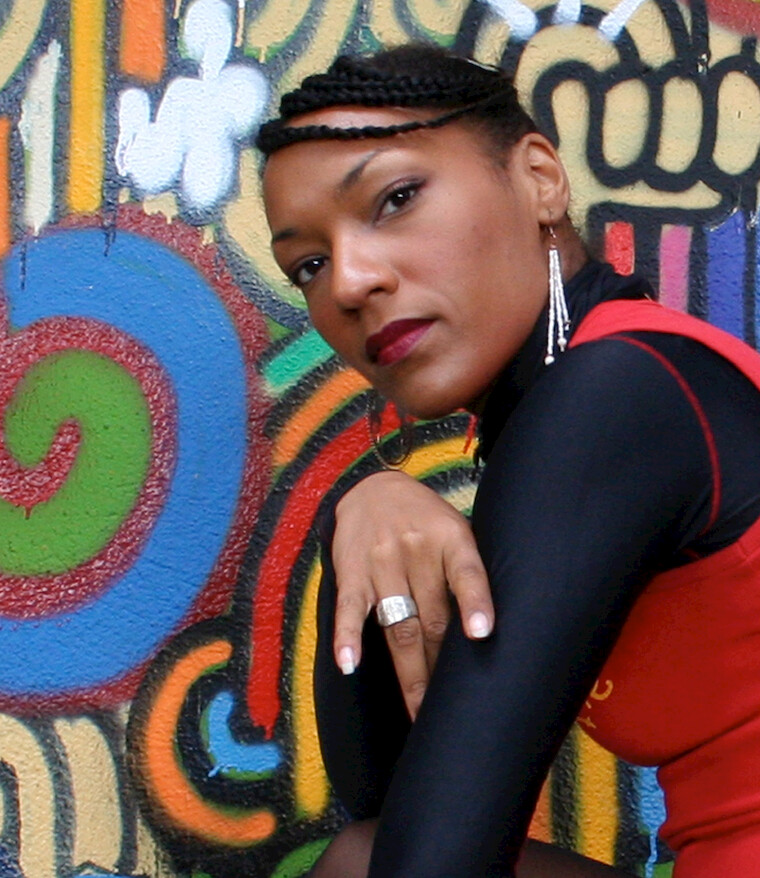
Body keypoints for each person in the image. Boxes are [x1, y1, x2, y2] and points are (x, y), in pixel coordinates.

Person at [257, 47, 760, 877]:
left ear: (539, 180)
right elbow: (398, 807)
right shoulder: (592, 401)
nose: (348, 283)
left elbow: (428, 859)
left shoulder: (620, 392)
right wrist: (361, 511)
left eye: (395, 199)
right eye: (309, 265)